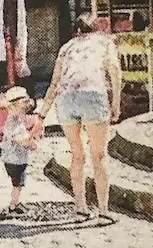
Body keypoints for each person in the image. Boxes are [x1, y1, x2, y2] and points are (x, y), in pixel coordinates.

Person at [41, 13, 121, 218]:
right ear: (96, 28)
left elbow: (54, 83)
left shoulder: (66, 47)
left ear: (76, 31)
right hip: (92, 95)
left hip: (66, 99)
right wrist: (116, 102)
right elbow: (114, 71)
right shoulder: (105, 42)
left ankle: (80, 207)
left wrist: (42, 115)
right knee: (99, 155)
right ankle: (103, 211)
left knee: (77, 155)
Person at [0, 86, 40, 217]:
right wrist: (32, 143)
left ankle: (15, 203)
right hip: (15, 160)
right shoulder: (13, 123)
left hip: (14, 158)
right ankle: (13, 205)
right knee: (18, 184)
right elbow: (21, 139)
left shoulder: (15, 119)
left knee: (18, 183)